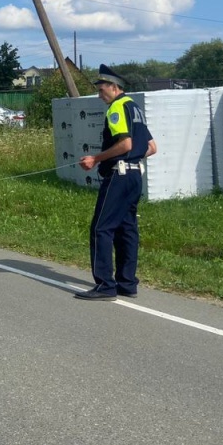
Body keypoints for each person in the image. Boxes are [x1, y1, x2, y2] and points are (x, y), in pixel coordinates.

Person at [75, 64, 157, 301]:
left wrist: (95, 158)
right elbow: (151, 148)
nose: (100, 95)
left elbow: (126, 144)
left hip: (118, 176)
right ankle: (127, 283)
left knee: (101, 228)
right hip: (134, 176)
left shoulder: (116, 108)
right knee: (126, 229)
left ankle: (105, 285)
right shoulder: (135, 108)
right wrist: (131, 161)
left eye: (102, 90)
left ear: (113, 87)